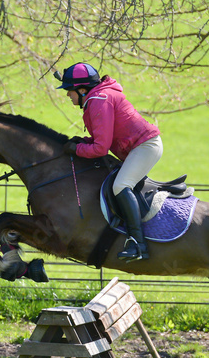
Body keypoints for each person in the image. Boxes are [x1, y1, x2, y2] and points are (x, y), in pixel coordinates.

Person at [56, 62, 162, 261]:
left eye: (69, 91)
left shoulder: (99, 100)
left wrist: (77, 149)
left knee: (121, 186)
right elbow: (101, 139)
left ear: (81, 89)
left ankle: (138, 244)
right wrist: (83, 141)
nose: (68, 96)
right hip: (141, 146)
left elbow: (100, 149)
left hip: (146, 147)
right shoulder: (98, 97)